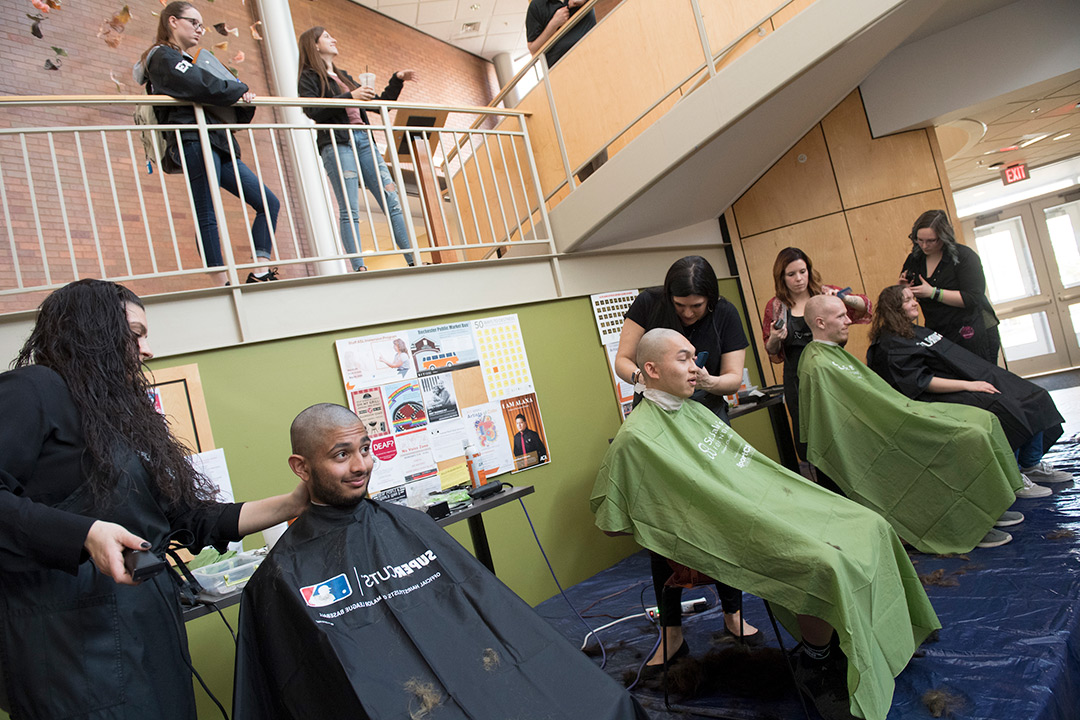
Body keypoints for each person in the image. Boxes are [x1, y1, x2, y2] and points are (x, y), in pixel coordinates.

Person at [592, 329, 940, 720]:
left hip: (769, 506)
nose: (696, 368)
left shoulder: (690, 410)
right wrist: (681, 520)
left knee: (869, 523)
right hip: (732, 534)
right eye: (684, 359)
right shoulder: (635, 440)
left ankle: (873, 636)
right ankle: (816, 660)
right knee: (825, 561)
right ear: (651, 369)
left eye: (694, 358)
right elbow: (612, 522)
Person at [0, 279, 308, 719]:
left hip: (149, 630)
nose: (148, 350)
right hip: (74, 652)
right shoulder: (32, 390)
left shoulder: (114, 413)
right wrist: (85, 534)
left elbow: (184, 518)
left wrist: (296, 502)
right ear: (94, 331)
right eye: (136, 334)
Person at [233, 403, 648, 720]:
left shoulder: (409, 524)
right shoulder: (284, 574)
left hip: (486, 676)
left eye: (365, 448)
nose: (361, 465)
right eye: (341, 455)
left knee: (605, 703)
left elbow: (484, 606)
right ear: (301, 468)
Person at [614, 255, 759, 662]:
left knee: (724, 515)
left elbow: (733, 376)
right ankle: (671, 631)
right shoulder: (649, 303)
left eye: (697, 307)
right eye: (680, 307)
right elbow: (623, 360)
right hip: (660, 419)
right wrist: (648, 380)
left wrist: (707, 381)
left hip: (706, 418)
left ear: (710, 300)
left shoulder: (725, 313)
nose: (689, 313)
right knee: (665, 524)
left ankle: (733, 613)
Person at [797, 295, 1025, 553]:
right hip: (883, 431)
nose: (849, 320)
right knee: (967, 436)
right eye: (841, 316)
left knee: (984, 418)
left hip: (895, 415)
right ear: (820, 322)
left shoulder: (830, 354)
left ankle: (988, 508)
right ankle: (968, 524)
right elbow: (835, 422)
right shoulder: (817, 365)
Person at [868, 285, 1069, 493]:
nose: (915, 302)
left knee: (1033, 395)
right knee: (1006, 408)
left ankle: (1031, 463)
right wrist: (971, 384)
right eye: (908, 300)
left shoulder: (914, 331)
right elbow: (920, 382)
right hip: (935, 397)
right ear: (894, 308)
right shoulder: (891, 345)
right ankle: (1013, 476)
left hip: (965, 379)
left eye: (913, 298)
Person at [136, 1, 280, 284]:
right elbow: (199, 84)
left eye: (202, 25)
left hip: (220, 143)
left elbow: (212, 92)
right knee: (207, 209)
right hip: (193, 138)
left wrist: (240, 96)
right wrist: (237, 88)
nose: (200, 30)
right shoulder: (161, 57)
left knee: (267, 202)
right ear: (173, 21)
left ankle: (260, 272)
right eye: (194, 23)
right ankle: (222, 284)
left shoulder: (188, 61)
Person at [297, 26, 417, 269]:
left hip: (364, 140)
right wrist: (350, 96)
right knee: (350, 208)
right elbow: (312, 110)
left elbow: (379, 105)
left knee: (391, 201)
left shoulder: (345, 77)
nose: (334, 39)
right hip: (337, 143)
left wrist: (396, 80)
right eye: (328, 37)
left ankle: (414, 259)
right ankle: (359, 266)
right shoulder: (308, 77)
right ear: (314, 44)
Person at [762, 247, 870, 462]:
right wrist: (775, 337)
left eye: (802, 271)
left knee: (842, 427)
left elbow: (865, 307)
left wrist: (842, 298)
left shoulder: (825, 294)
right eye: (791, 274)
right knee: (809, 435)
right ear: (782, 278)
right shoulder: (776, 307)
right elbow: (772, 350)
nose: (799, 279)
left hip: (831, 372)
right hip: (798, 379)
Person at [899, 209, 1000, 363]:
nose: (924, 245)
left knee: (983, 379)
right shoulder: (914, 259)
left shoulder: (964, 256)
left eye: (930, 241)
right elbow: (908, 293)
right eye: (919, 240)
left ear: (943, 237)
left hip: (972, 327)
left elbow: (973, 297)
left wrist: (933, 292)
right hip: (938, 329)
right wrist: (903, 289)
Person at [526, 0, 596, 68]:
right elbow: (533, 50)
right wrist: (553, 25)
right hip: (562, 68)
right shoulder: (536, 6)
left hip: (594, 52)